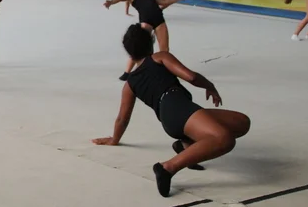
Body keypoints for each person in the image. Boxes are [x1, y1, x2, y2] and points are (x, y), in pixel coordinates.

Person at [92, 25, 250, 197]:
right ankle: (168, 167)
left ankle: (186, 145)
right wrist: (209, 86)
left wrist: (114, 139)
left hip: (171, 117)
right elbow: (191, 77)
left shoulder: (129, 84)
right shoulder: (159, 57)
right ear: (151, 43)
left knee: (241, 122)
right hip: (177, 107)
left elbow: (122, 119)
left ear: (130, 54)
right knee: (224, 138)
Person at [104, 0, 177, 54]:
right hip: (146, 22)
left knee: (165, 50)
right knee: (144, 49)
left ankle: (160, 62)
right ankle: (143, 61)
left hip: (159, 20)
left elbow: (161, 2)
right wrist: (111, 2)